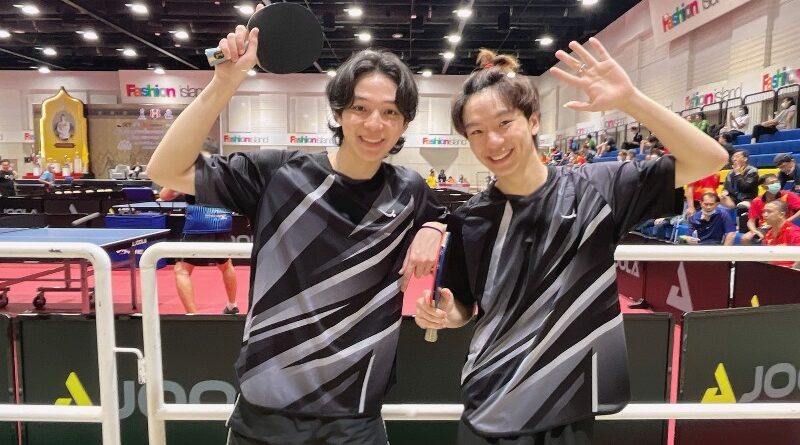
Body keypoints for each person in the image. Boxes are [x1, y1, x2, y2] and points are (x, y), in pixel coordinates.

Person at [146, 10, 447, 444]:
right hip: (266, 412)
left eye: (390, 112)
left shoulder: (410, 190)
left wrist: (433, 227)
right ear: (339, 112)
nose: (374, 124)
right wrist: (225, 82)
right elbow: (165, 170)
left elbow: (449, 217)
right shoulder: (279, 173)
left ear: (404, 122)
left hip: (355, 417)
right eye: (360, 108)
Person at [414, 37, 727, 444]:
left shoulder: (598, 188)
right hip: (490, 401)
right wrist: (445, 313)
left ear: (533, 121)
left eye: (505, 123)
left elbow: (710, 159)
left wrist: (630, 99)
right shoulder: (469, 218)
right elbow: (463, 305)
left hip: (568, 407)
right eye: (477, 131)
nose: (493, 142)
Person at [159, 186, 239, 315]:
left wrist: (177, 182)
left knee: (182, 270)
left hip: (199, 222)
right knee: (226, 265)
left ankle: (193, 316)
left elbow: (164, 195)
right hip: (223, 221)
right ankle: (232, 306)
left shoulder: (189, 174)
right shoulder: (224, 172)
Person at [724, 173, 800, 245]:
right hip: (765, 227)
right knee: (745, 238)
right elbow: (751, 221)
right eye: (772, 183)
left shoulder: (788, 195)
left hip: (783, 225)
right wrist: (755, 231)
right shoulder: (757, 201)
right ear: (764, 187)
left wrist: (788, 220)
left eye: (777, 182)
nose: (776, 184)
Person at [762, 200, 800, 268]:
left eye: (769, 212)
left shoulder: (794, 232)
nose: (765, 215)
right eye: (764, 212)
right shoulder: (768, 234)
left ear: (781, 215)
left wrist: (793, 269)